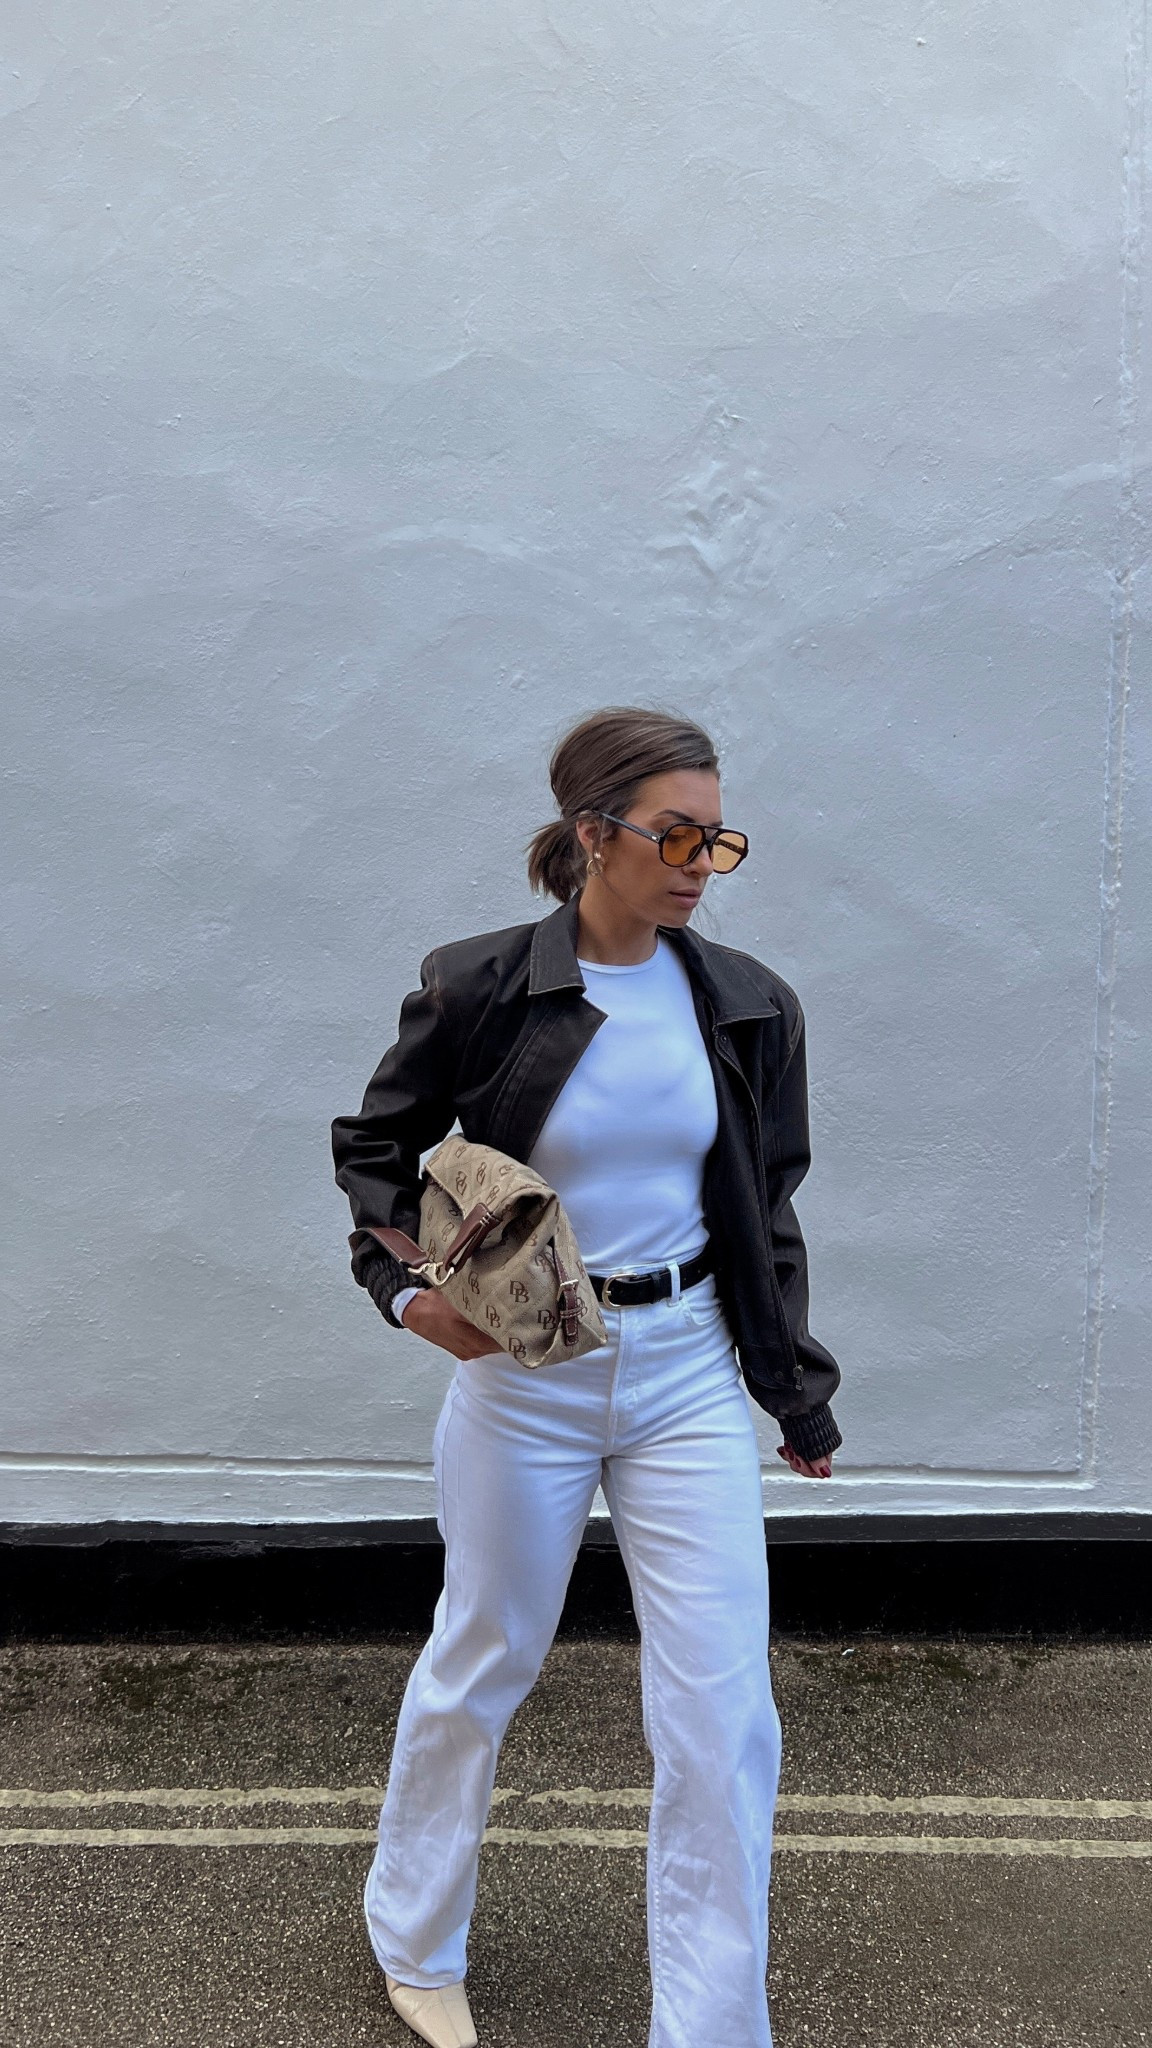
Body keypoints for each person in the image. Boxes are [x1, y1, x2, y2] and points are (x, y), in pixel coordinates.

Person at [331, 706, 843, 2048]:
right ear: (588, 835)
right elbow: (375, 1161)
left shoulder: (744, 1004)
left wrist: (795, 1392)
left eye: (717, 838)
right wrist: (407, 1299)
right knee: (485, 1655)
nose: (699, 864)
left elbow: (763, 1211)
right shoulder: (482, 985)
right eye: (675, 834)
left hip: (682, 1374)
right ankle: (415, 1935)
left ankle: (715, 2028)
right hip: (528, 1373)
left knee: (725, 1708)